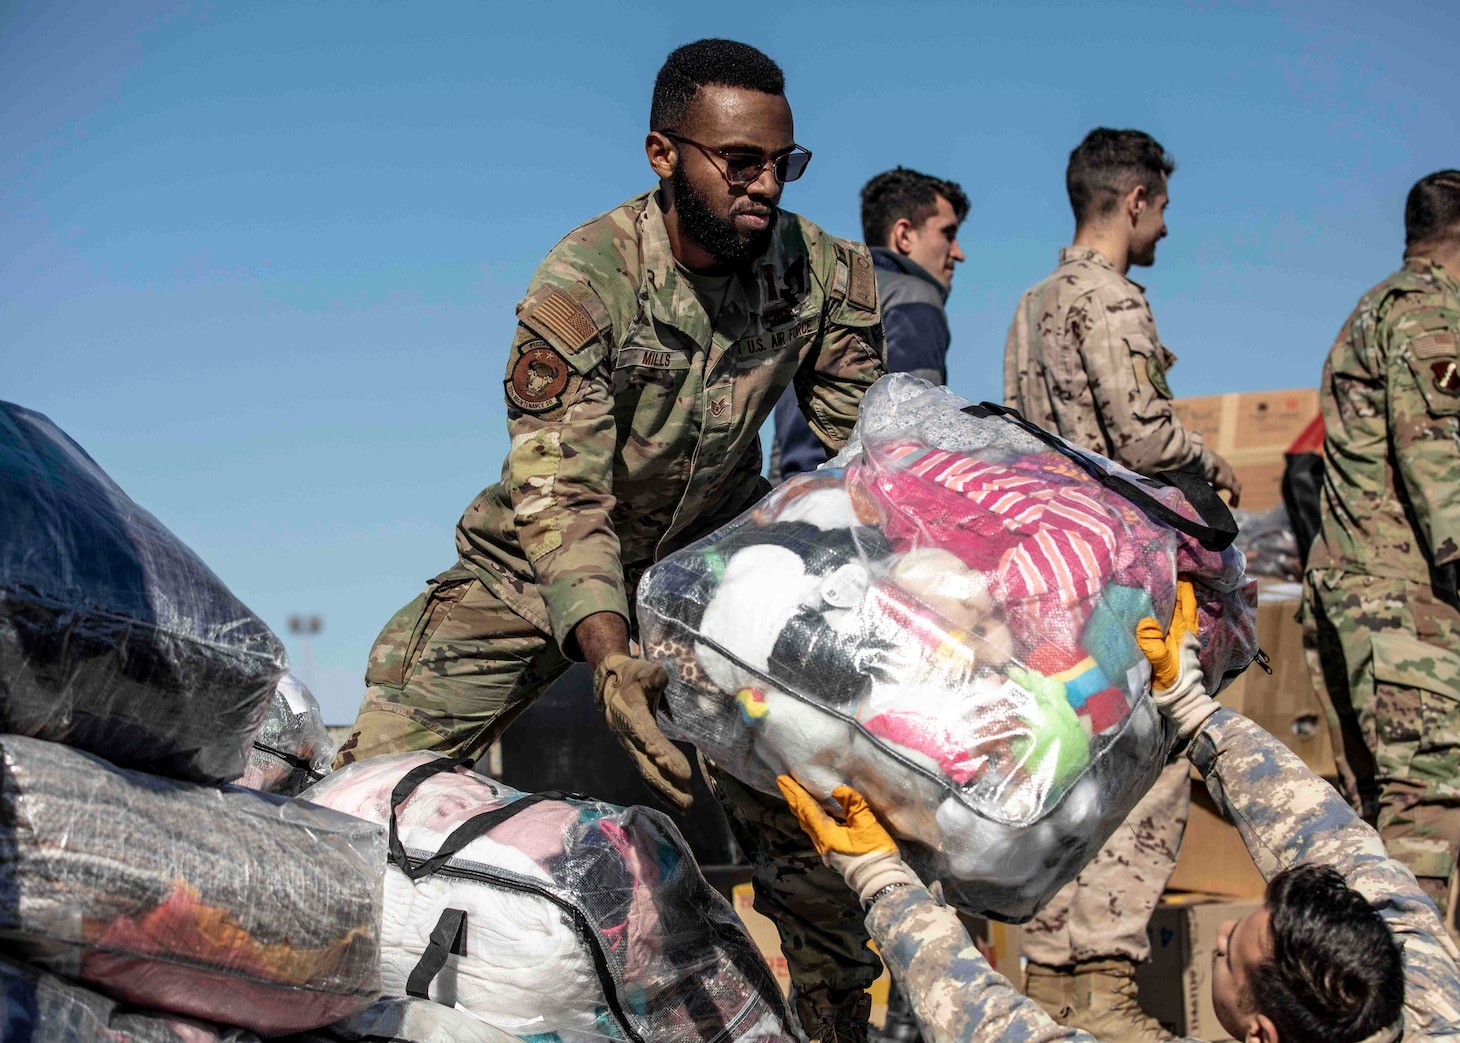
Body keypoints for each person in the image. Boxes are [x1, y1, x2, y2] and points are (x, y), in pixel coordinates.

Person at [332, 39, 888, 1041]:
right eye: (738, 162)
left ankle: (840, 1016)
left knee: (808, 790)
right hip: (534, 566)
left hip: (703, 572)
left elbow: (858, 450)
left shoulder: (823, 274)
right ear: (661, 154)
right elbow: (561, 495)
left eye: (782, 162)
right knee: (365, 785)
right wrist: (608, 652)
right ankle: (295, 981)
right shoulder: (586, 283)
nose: (765, 184)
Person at [779, 581, 1460, 1042]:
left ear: (1261, 1034)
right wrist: (1196, 713)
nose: (1221, 939)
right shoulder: (1425, 998)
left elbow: (987, 1022)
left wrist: (881, 881)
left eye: (1234, 954)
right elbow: (1333, 840)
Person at [1002, 127, 1242, 1040]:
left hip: (1045, 583)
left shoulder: (1029, 306)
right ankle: (1103, 994)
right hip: (1122, 584)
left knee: (1073, 772)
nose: (1166, 230)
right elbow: (1144, 442)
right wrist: (1213, 465)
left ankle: (1056, 987)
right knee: (1149, 772)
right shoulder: (1112, 303)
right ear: (1134, 198)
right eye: (1163, 209)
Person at [1302, 169, 1460, 941]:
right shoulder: (1430, 310)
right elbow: (1441, 459)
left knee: (1380, 810)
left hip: (1360, 595)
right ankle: (1418, 1004)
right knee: (1430, 805)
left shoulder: (1374, 306)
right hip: (1404, 605)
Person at [772, 167, 968, 480]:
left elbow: (783, 444)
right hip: (862, 507)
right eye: (948, 233)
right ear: (903, 235)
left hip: (794, 501)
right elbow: (916, 438)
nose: (959, 253)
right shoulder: (913, 294)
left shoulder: (814, 297)